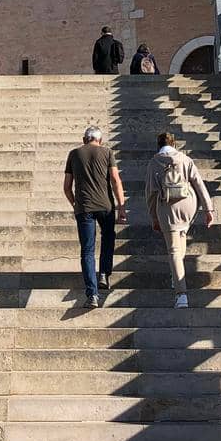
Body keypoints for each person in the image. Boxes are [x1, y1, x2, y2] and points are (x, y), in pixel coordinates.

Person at [145, 130, 214, 309]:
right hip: (188, 204)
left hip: (168, 207)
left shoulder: (154, 163)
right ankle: (177, 275)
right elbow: (199, 183)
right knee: (181, 237)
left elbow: (151, 193)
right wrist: (208, 208)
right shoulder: (185, 159)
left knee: (174, 250)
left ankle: (181, 294)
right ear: (174, 144)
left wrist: (153, 216)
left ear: (158, 145)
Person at [64, 126, 127, 307]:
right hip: (105, 206)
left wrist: (75, 203)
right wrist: (121, 207)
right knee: (108, 238)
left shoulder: (74, 154)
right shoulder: (107, 153)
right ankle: (104, 274)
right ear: (100, 140)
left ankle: (92, 294)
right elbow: (115, 180)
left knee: (87, 250)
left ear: (84, 139)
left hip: (84, 207)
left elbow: (67, 187)